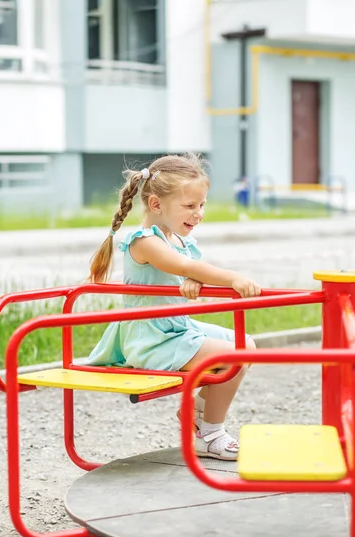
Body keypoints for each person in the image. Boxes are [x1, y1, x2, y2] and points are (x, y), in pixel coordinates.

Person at [87, 153, 261, 461]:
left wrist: (192, 280)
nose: (198, 214)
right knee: (235, 353)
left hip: (176, 328)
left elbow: (185, 269)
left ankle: (198, 416)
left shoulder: (178, 241)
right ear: (156, 205)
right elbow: (182, 265)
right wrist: (232, 278)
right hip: (151, 336)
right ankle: (209, 432)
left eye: (202, 205)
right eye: (190, 206)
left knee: (246, 344)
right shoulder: (144, 241)